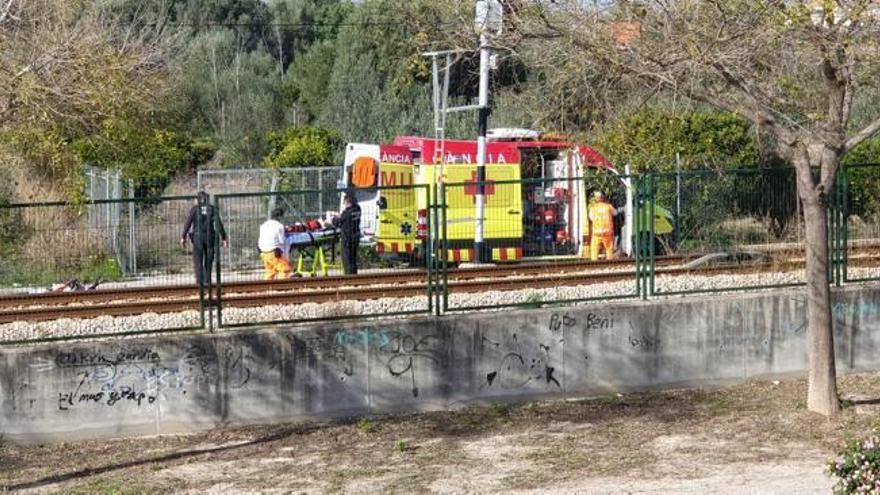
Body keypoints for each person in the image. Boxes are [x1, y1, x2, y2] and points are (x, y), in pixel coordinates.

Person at [180, 191, 227, 286]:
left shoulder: (195, 209)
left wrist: (183, 236)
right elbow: (218, 224)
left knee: (198, 260)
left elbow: (188, 223)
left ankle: (200, 281)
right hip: (209, 237)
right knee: (209, 260)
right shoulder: (212, 209)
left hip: (198, 238)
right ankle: (207, 280)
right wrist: (224, 237)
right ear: (207, 199)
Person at [258, 208, 292, 280]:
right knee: (285, 269)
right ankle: (281, 286)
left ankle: (268, 287)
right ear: (279, 217)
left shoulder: (264, 225)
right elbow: (281, 241)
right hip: (274, 253)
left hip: (263, 252)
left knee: (270, 272)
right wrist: (286, 232)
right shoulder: (279, 226)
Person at [333, 193, 362, 275]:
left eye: (344, 203)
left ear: (348, 202)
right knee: (353, 259)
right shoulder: (358, 209)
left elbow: (337, 222)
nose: (344, 205)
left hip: (347, 238)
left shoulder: (347, 213)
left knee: (347, 259)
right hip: (355, 236)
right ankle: (354, 275)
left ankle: (348, 276)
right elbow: (345, 218)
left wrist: (333, 219)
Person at [588, 190, 617, 261]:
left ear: (596, 199)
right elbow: (615, 213)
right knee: (609, 249)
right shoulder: (609, 207)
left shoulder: (593, 208)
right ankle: (609, 262)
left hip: (596, 233)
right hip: (607, 232)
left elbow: (591, 218)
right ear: (603, 198)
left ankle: (594, 263)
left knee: (594, 249)